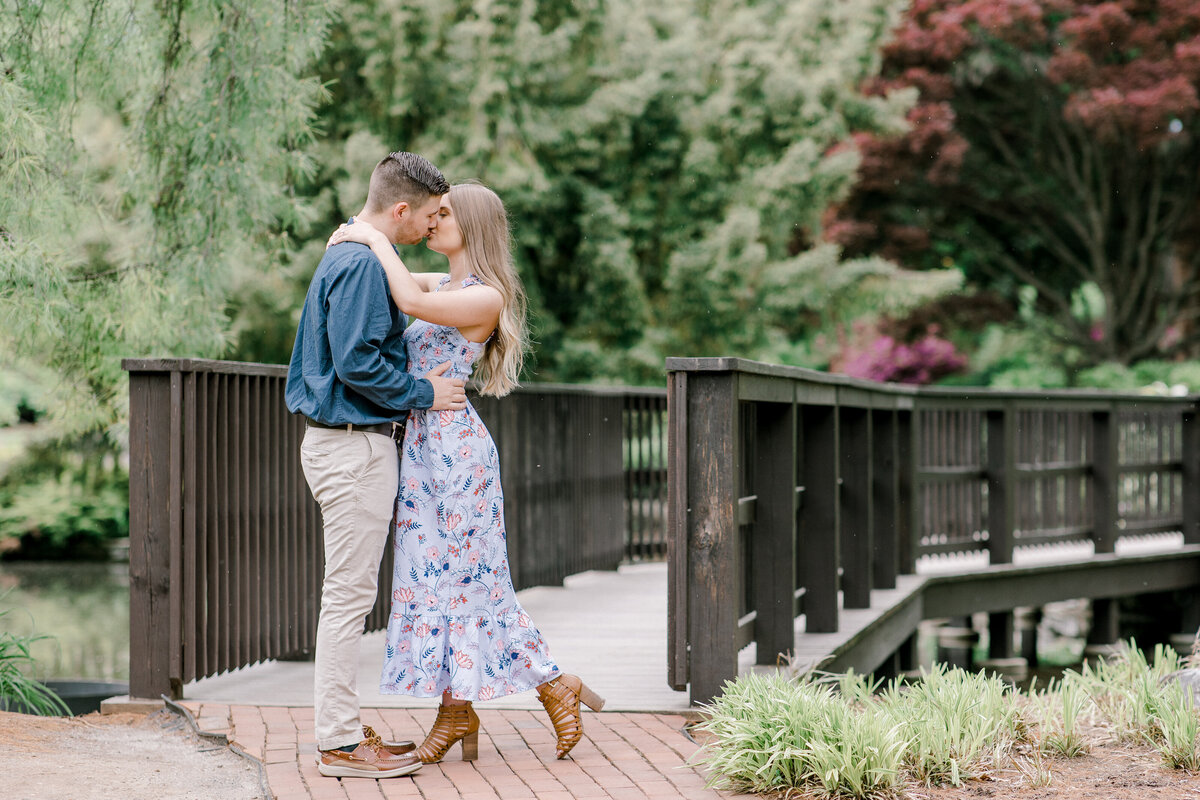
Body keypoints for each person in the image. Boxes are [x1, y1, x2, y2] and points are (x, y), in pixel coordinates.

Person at [326, 181, 605, 764]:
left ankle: (542, 686)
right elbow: (409, 287)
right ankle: (474, 706)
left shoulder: (486, 298)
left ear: (472, 225)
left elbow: (407, 300)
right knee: (433, 581)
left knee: (471, 581)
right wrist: (363, 242)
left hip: (456, 455)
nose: (432, 222)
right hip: (421, 451)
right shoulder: (449, 284)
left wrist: (370, 235)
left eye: (444, 214)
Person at [285, 152, 469, 779]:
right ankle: (338, 743)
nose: (429, 226)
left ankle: (341, 728)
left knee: (348, 593)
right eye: (426, 217)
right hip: (354, 447)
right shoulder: (362, 264)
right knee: (348, 597)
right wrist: (425, 392)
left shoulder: (351, 254)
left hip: (340, 443)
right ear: (399, 210)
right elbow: (357, 364)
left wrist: (368, 235)